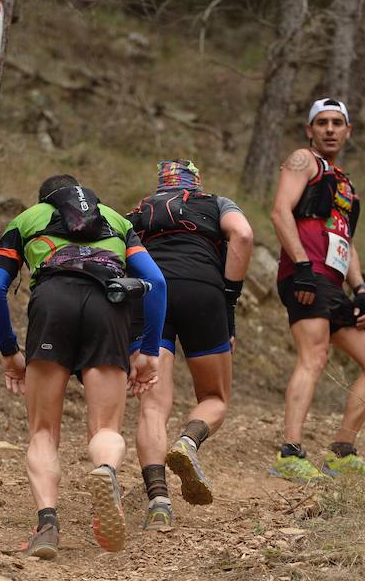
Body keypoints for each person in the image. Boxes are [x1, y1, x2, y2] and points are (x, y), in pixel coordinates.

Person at [0, 174, 167, 557]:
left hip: (53, 304)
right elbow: (156, 283)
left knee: (43, 431)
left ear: (45, 201)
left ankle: (47, 525)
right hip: (108, 307)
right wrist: (148, 350)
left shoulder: (27, 219)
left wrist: (8, 351)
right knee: (105, 427)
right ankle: (107, 472)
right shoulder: (116, 219)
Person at [269, 98, 365, 483]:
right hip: (305, 275)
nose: (329, 129)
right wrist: (303, 267)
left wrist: (361, 290)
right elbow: (279, 211)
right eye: (321, 122)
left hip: (334, 281)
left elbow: (345, 239)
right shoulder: (302, 161)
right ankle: (289, 453)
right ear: (310, 130)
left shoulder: (343, 181)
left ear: (348, 131)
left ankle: (342, 451)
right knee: (315, 355)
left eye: (337, 122)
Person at [126, 160, 253, 529]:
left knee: (152, 405)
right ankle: (188, 442)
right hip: (203, 292)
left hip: (151, 296)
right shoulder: (215, 203)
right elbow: (242, 235)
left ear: (159, 186)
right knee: (214, 397)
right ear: (196, 184)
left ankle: (159, 502)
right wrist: (229, 298)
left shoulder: (137, 213)